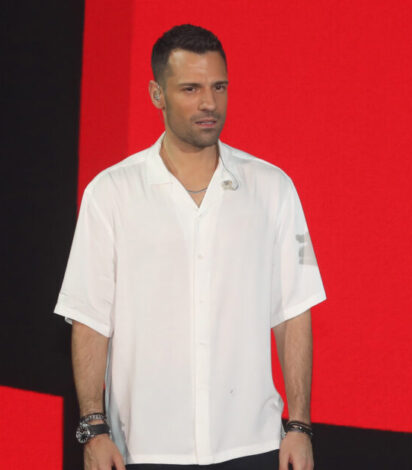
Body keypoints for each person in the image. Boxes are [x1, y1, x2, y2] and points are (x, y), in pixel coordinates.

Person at [54, 24, 325, 470]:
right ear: (156, 94)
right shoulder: (111, 193)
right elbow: (89, 319)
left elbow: (293, 312)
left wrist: (300, 426)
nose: (209, 103)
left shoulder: (273, 188)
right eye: (190, 89)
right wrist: (93, 429)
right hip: (144, 448)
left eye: (219, 87)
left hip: (251, 444)